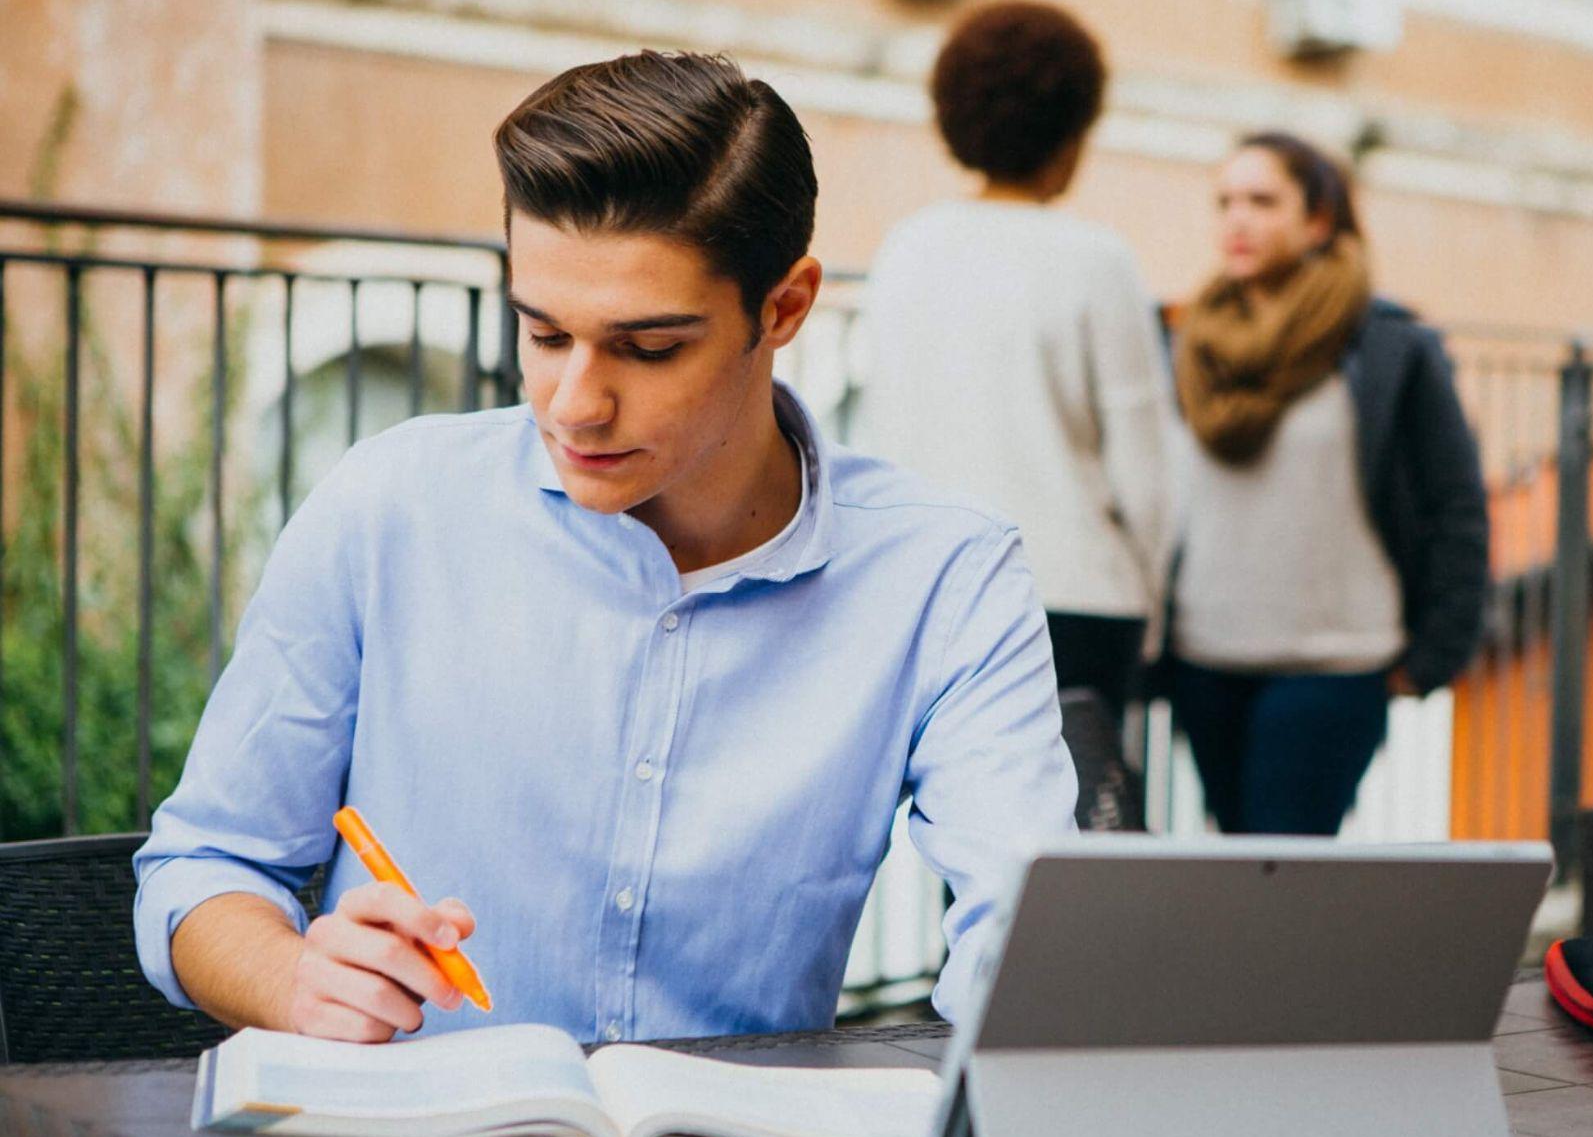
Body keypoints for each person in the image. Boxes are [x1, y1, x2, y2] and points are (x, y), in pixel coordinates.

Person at [133, 51, 1078, 1045]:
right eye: (542, 335)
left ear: (785, 308)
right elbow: (205, 870)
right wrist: (293, 980)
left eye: (649, 347)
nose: (575, 404)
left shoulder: (943, 578)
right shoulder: (389, 507)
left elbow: (1023, 931)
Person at [860, 0, 1176, 713]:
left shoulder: (906, 248)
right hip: (1077, 596)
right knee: (1072, 814)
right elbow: (1146, 475)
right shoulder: (1099, 261)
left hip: (929, 585)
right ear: (1072, 131)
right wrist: (1151, 595)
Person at [1169, 133, 1488, 837]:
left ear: (1319, 221)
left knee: (1283, 873)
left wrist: (1436, 651)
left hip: (1333, 663)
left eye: (1262, 200)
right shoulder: (1194, 343)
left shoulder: (1388, 345)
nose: (1237, 219)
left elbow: (1456, 503)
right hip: (1205, 659)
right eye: (1225, 201)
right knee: (1230, 862)